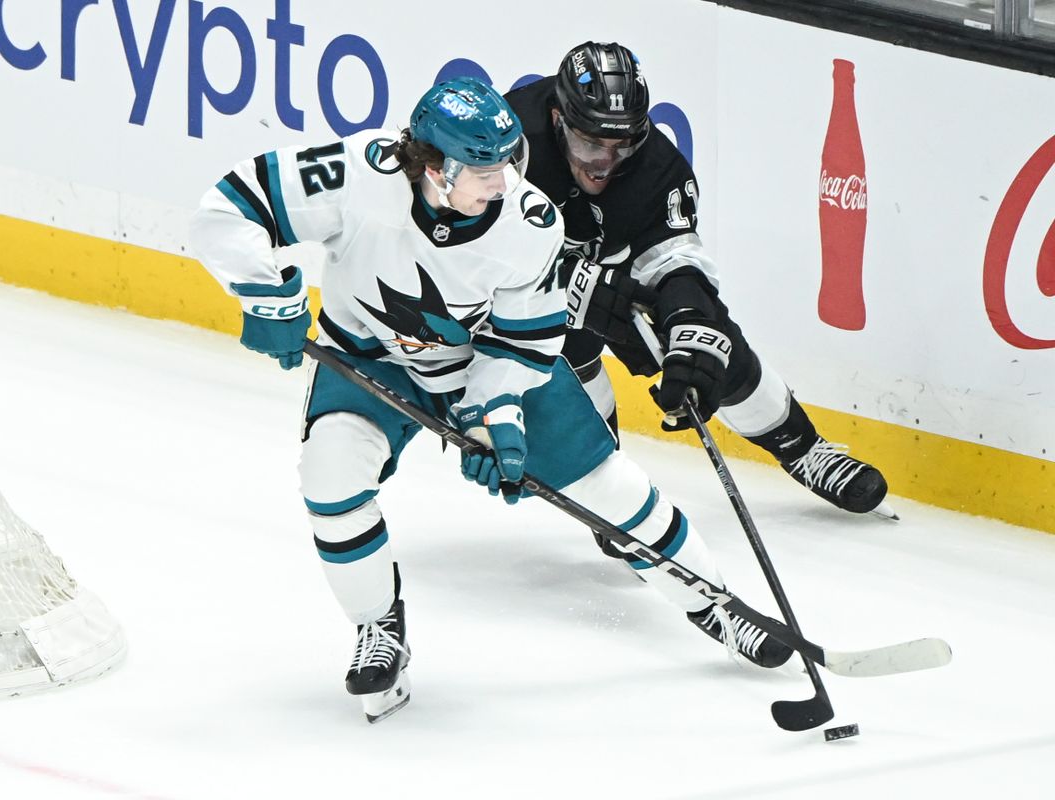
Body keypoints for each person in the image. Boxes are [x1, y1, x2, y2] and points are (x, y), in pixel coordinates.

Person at [190, 78, 791, 724]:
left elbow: (523, 345)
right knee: (328, 480)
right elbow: (227, 209)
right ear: (435, 168)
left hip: (484, 361)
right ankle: (378, 623)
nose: (503, 181)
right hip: (370, 359)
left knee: (608, 486)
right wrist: (266, 292)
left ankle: (712, 600)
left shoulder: (530, 225)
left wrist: (495, 421)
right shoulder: (354, 178)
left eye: (508, 162)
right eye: (484, 168)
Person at [504, 42, 892, 538]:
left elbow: (675, 261)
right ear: (558, 119)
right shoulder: (508, 141)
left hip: (620, 267)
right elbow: (468, 249)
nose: (605, 161)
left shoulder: (657, 165)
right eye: (590, 145)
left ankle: (804, 449)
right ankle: (611, 497)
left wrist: (688, 322)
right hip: (525, 292)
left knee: (711, 340)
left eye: (622, 145)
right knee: (565, 360)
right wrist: (566, 283)